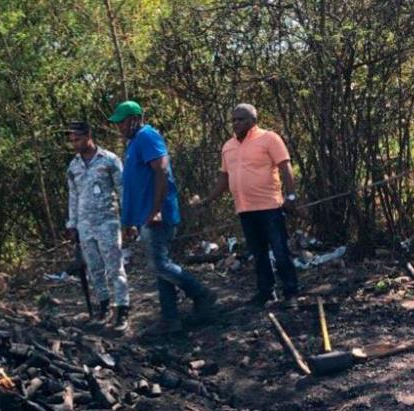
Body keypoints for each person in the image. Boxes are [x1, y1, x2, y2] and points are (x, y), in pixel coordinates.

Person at [108, 101, 217, 336]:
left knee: (159, 264)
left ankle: (201, 294)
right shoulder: (134, 143)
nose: (120, 127)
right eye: (118, 123)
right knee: (160, 267)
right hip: (144, 215)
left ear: (135, 119)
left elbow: (162, 171)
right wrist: (129, 220)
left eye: (123, 122)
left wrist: (156, 209)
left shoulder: (148, 136)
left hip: (157, 214)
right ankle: (170, 318)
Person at [207, 103, 300, 308]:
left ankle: (291, 293)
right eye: (234, 120)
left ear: (253, 121)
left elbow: (285, 167)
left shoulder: (269, 138)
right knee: (258, 253)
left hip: (270, 207)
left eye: (241, 119)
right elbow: (224, 178)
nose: (236, 124)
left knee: (280, 250)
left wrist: (291, 196)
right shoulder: (228, 146)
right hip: (245, 209)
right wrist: (208, 200)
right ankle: (266, 292)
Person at [65, 121, 131, 330]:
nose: (75, 144)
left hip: (108, 222)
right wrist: (72, 224)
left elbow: (122, 191)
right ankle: (103, 306)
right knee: (94, 269)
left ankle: (122, 309)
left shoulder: (109, 160)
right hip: (85, 226)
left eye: (78, 139)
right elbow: (73, 196)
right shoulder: (73, 166)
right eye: (72, 141)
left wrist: (128, 220)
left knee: (114, 268)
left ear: (88, 136)